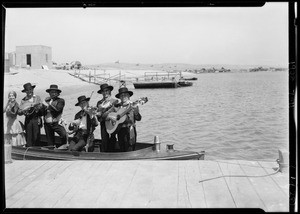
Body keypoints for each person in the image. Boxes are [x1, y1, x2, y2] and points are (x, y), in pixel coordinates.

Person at [106, 87, 142, 152]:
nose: (123, 97)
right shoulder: (116, 106)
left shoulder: (133, 105)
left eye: (125, 95)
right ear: (119, 97)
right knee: (122, 148)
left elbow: (139, 118)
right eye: (121, 95)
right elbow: (106, 115)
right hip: (120, 130)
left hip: (130, 130)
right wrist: (110, 117)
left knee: (130, 149)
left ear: (128, 96)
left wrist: (136, 112)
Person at [18, 83, 43, 147]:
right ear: (25, 92)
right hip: (28, 119)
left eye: (30, 89)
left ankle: (37, 151)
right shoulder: (23, 100)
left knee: (36, 136)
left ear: (32, 89)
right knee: (29, 136)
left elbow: (41, 107)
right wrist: (24, 112)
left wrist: (37, 107)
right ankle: (29, 150)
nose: (29, 91)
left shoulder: (37, 97)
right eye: (27, 90)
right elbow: (19, 112)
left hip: (36, 119)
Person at [96, 83, 119, 152]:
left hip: (112, 123)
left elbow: (117, 113)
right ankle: (105, 153)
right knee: (104, 139)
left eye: (107, 90)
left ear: (109, 91)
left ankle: (112, 154)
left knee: (113, 138)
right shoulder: (99, 103)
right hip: (103, 123)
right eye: (103, 91)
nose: (105, 93)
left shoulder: (115, 101)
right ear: (101, 93)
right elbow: (99, 117)